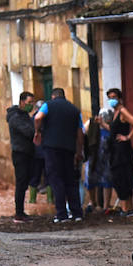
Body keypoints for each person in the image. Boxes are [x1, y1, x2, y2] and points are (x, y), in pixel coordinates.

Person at [33, 87, 83, 223]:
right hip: (69, 148)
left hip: (52, 148)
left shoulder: (47, 105)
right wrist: (79, 152)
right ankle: (77, 212)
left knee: (56, 179)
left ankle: (61, 214)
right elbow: (80, 133)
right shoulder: (74, 110)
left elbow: (38, 117)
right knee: (70, 180)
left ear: (53, 96)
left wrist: (37, 132)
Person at [104, 88, 133, 217]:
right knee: (121, 177)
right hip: (115, 150)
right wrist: (103, 124)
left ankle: (126, 208)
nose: (111, 100)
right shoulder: (115, 113)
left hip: (122, 151)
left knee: (122, 177)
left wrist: (128, 137)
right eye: (109, 97)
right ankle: (128, 207)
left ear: (119, 98)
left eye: (114, 97)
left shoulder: (123, 111)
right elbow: (114, 129)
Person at [5, 91, 37, 221]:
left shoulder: (24, 116)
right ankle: (19, 212)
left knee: (25, 182)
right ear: (22, 102)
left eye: (32, 103)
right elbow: (28, 132)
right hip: (20, 153)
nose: (31, 105)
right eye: (29, 103)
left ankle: (21, 211)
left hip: (28, 152)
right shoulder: (16, 117)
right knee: (21, 183)